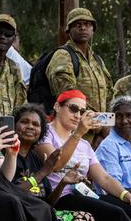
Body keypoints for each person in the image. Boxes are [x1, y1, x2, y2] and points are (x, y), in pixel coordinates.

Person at [11, 103, 131, 221]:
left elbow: (49, 200)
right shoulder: (15, 154)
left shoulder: (35, 156)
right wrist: (44, 171)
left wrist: (63, 182)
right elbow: (15, 190)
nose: (30, 127)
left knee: (88, 219)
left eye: (35, 124)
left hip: (46, 208)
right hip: (27, 212)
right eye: (24, 122)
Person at [35, 89, 131, 221]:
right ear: (58, 107)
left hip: (83, 195)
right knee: (117, 215)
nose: (77, 115)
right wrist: (78, 133)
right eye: (73, 108)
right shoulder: (45, 132)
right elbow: (55, 164)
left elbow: (104, 178)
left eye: (82, 112)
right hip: (58, 196)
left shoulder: (84, 144)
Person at [46, 8, 112, 141]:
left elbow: (109, 94)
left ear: (93, 29)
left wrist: (106, 126)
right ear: (68, 30)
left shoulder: (97, 60)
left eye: (87, 24)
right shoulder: (63, 55)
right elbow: (68, 96)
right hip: (73, 135)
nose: (83, 28)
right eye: (78, 24)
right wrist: (99, 125)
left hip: (100, 136)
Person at [97, 96, 131, 197]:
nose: (124, 121)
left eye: (129, 115)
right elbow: (113, 189)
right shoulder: (108, 147)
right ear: (112, 120)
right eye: (119, 116)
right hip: (124, 204)